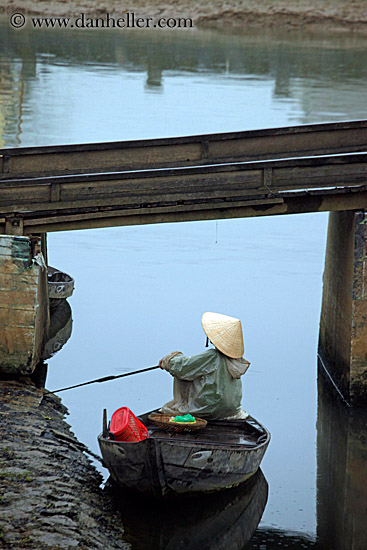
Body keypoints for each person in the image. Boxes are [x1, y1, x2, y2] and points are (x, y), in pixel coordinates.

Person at [159, 312, 250, 420]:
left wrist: (168, 361)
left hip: (207, 409)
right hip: (231, 411)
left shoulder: (212, 357)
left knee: (170, 408)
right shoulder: (237, 360)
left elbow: (183, 368)